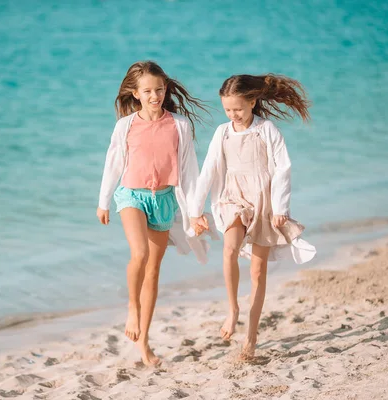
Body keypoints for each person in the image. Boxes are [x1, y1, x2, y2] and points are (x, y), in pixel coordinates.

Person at [189, 74, 316, 360]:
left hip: (264, 202)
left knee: (258, 272)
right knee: (229, 249)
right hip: (232, 197)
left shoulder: (266, 130)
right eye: (228, 110)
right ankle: (232, 309)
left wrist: (281, 207)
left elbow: (283, 168)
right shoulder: (222, 132)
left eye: (239, 109)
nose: (234, 115)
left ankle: (251, 334)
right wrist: (195, 211)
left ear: (252, 102)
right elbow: (208, 169)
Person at [97, 61, 214, 366]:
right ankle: (132, 307)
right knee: (139, 254)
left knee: (153, 271)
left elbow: (189, 171)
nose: (155, 95)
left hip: (163, 200)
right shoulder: (125, 125)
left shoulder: (179, 125)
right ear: (135, 93)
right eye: (147, 91)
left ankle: (144, 344)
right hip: (131, 196)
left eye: (159, 89)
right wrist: (104, 201)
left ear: (165, 89)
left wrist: (194, 211)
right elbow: (114, 163)